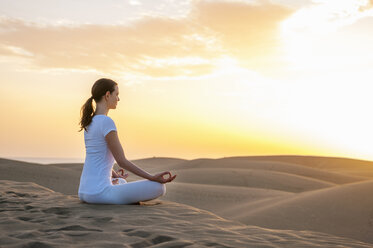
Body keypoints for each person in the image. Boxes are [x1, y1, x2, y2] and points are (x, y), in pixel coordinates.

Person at [77, 78, 177, 204]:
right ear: (107, 95)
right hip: (99, 194)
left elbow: (96, 156)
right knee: (159, 188)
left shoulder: (89, 122)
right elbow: (122, 161)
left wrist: (114, 175)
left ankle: (116, 186)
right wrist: (152, 177)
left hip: (84, 192)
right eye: (117, 94)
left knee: (121, 181)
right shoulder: (106, 122)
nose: (118, 99)